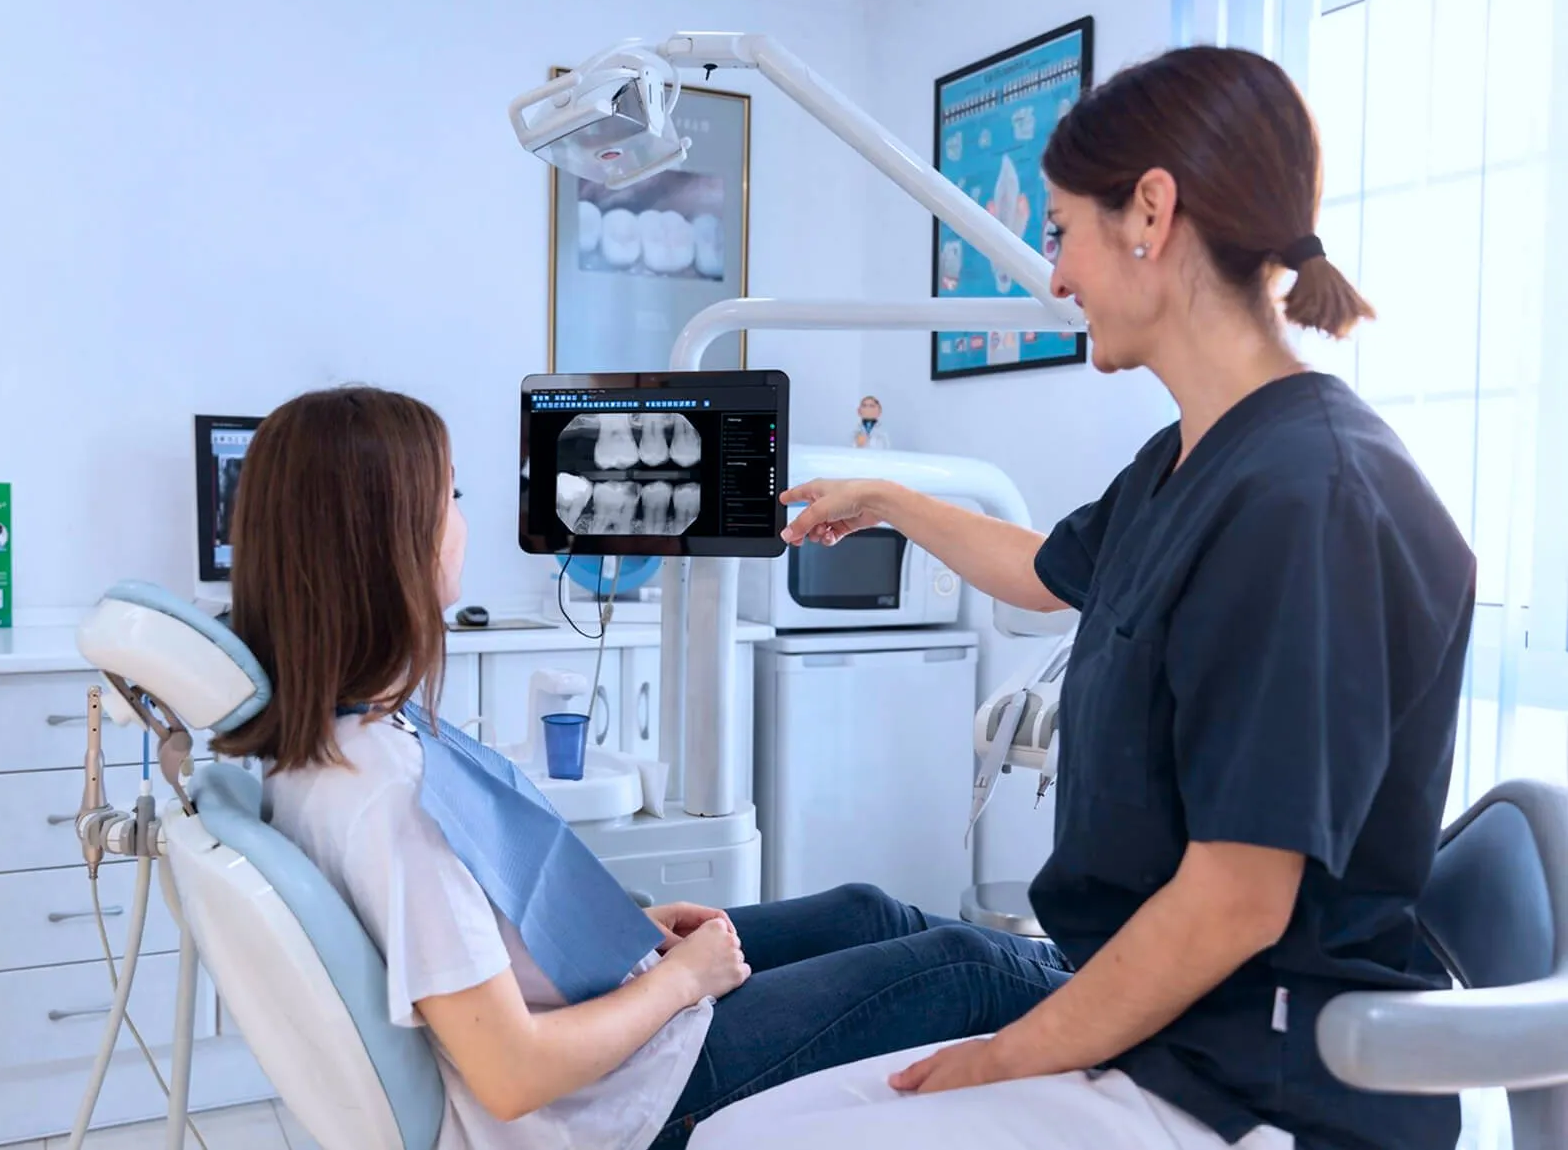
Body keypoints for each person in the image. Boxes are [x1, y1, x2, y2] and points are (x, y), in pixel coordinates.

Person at [718, 45, 1476, 1150]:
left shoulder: (1308, 499)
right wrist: (888, 498)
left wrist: (1005, 1055)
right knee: (744, 1125)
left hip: (1252, 1087)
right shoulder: (1192, 459)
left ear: (1151, 214)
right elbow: (1044, 571)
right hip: (1154, 1035)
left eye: (1063, 229)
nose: (1058, 276)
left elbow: (1237, 900)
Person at [210, 385, 1072, 1150]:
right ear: (390, 541)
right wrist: (682, 984)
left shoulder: (345, 741)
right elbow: (512, 1071)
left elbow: (468, 943)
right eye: (453, 497)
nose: (464, 521)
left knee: (867, 909)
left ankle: (1097, 987)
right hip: (617, 1103)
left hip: (604, 1019)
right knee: (967, 963)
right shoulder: (390, 800)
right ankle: (1144, 1014)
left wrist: (634, 930)